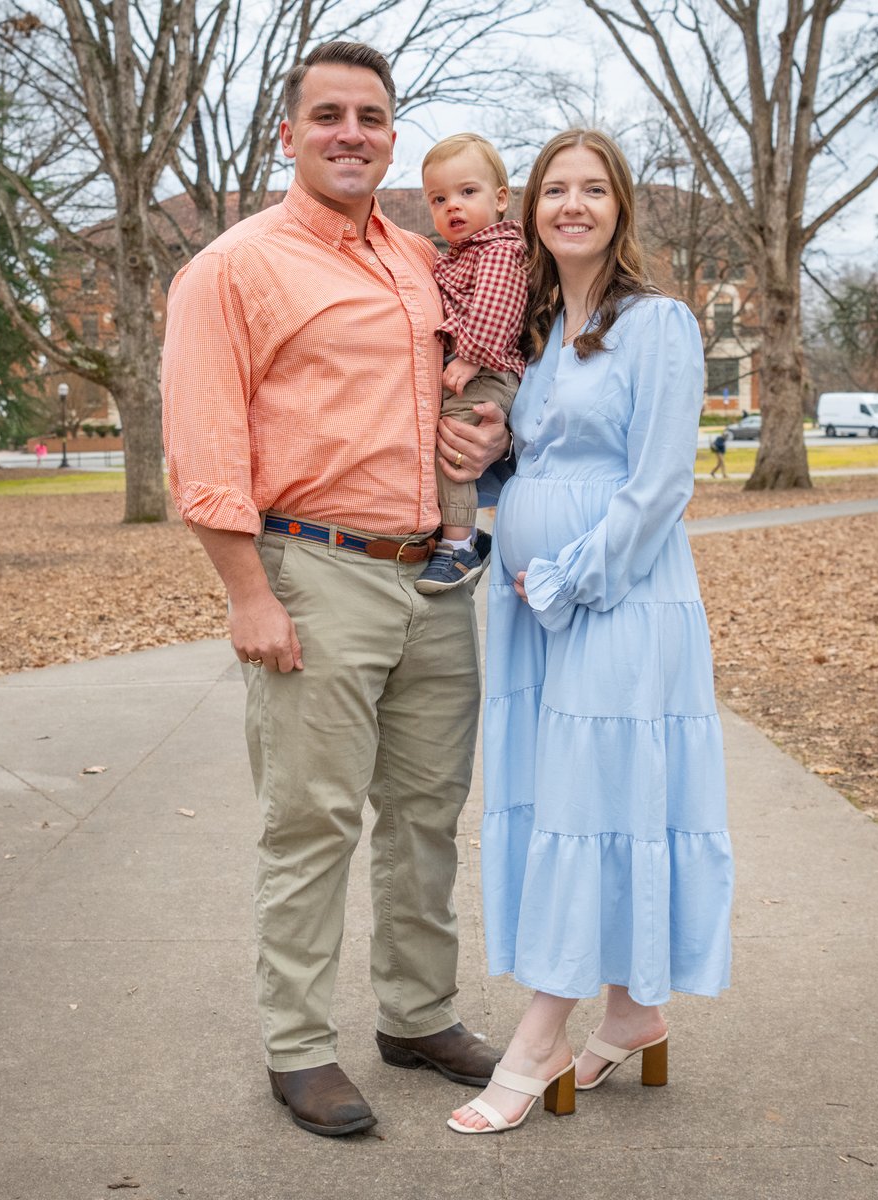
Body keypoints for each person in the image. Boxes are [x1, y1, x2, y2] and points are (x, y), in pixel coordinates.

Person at [160, 42, 510, 1139]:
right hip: (313, 572)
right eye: (328, 115)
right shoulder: (232, 267)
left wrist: (490, 434)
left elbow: (482, 375)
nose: (350, 131)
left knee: (425, 818)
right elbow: (204, 444)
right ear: (291, 134)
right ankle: (298, 1045)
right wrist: (247, 595)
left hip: (437, 578)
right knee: (310, 820)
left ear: (392, 135)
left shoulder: (420, 258)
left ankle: (415, 1014)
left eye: (370, 115)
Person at [447, 129, 734, 1136]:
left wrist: (567, 576)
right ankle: (633, 1013)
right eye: (554, 189)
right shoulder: (532, 333)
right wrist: (486, 458)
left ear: (619, 209)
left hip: (615, 598)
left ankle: (538, 1042)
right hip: (533, 610)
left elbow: (659, 486)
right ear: (531, 211)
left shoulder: (659, 326)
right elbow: (529, 465)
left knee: (588, 800)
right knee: (561, 797)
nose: (572, 204)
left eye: (592, 189)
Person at [415, 133, 526, 594]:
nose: (452, 207)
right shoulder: (461, 254)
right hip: (473, 363)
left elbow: (497, 308)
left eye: (467, 192)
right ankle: (456, 532)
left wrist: (468, 357)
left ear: (500, 199)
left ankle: (459, 545)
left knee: (453, 444)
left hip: (487, 367)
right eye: (439, 199)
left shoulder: (500, 249)